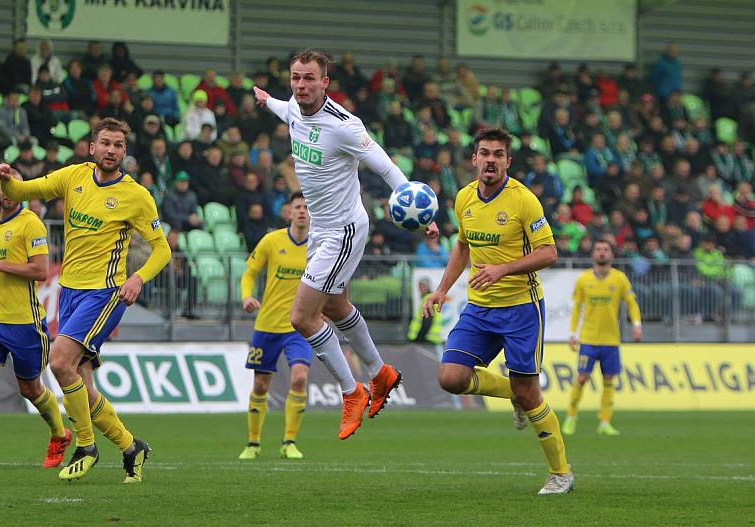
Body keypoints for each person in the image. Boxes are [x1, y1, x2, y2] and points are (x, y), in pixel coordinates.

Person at [254, 49, 438, 440]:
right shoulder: (291, 110)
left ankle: (351, 391)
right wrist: (265, 99)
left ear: (325, 83)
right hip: (322, 230)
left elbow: (385, 165)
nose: (301, 85)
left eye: (309, 79)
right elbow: (281, 107)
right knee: (336, 306)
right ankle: (380, 372)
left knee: (302, 317)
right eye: (295, 78)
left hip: (345, 230)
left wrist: (420, 210)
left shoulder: (345, 126)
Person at [0, 117, 171, 483]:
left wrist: (137, 278)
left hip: (104, 292)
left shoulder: (136, 195)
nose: (111, 150)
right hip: (69, 292)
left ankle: (86, 444)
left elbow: (162, 249)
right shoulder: (73, 176)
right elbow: (26, 192)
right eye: (105, 143)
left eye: (118, 145)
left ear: (124, 151)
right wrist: (7, 176)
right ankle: (131, 446)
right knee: (83, 390)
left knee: (58, 361)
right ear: (92, 147)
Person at [422, 128, 573, 495]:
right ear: (474, 159)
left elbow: (549, 253)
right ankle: (514, 396)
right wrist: (441, 289)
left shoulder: (524, 201)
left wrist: (503, 268)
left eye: (498, 154)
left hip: (521, 308)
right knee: (450, 378)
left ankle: (561, 474)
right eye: (484, 153)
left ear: (508, 161)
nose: (490, 160)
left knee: (530, 391)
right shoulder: (464, 198)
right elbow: (462, 246)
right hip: (480, 309)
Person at [0, 175, 71, 470]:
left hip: (25, 325)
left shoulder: (31, 223)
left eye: (14, 186)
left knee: (30, 389)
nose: (8, 192)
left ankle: (59, 434)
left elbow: (40, 271)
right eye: (2, 186)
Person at [238, 192, 312, 461]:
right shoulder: (272, 241)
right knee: (260, 385)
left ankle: (289, 441)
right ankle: (253, 443)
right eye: (297, 207)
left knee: (300, 377)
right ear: (289, 212)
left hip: (300, 326)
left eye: (306, 207)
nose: (302, 211)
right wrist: (246, 295)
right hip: (267, 324)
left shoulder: (318, 245)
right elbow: (249, 273)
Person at [563, 239, 642, 436]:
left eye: (605, 250)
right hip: (588, 339)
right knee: (581, 378)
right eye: (598, 249)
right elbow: (576, 308)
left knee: (609, 381)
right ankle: (571, 418)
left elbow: (632, 303)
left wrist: (637, 324)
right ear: (593, 254)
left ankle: (605, 421)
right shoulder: (583, 279)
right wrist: (573, 333)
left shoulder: (620, 279)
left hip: (611, 340)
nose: (601, 253)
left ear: (611, 255)